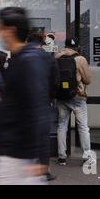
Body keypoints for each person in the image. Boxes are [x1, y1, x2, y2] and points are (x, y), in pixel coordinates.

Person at [0, 7, 51, 185]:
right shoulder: (22, 59)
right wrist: (0, 96)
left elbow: (38, 109)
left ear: (10, 31)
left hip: (20, 156)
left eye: (0, 29)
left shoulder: (27, 62)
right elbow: (24, 98)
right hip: (15, 152)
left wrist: (39, 158)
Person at [27, 33, 60, 182]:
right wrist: (50, 98)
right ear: (42, 44)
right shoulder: (48, 58)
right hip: (42, 104)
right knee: (43, 138)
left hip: (25, 104)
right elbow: (55, 83)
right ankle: (43, 171)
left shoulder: (21, 58)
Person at [55, 38, 93, 166]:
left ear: (65, 46)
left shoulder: (56, 58)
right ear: (77, 47)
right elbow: (87, 80)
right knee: (83, 127)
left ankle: (61, 157)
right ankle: (87, 156)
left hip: (61, 97)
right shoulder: (80, 59)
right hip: (77, 96)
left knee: (62, 125)